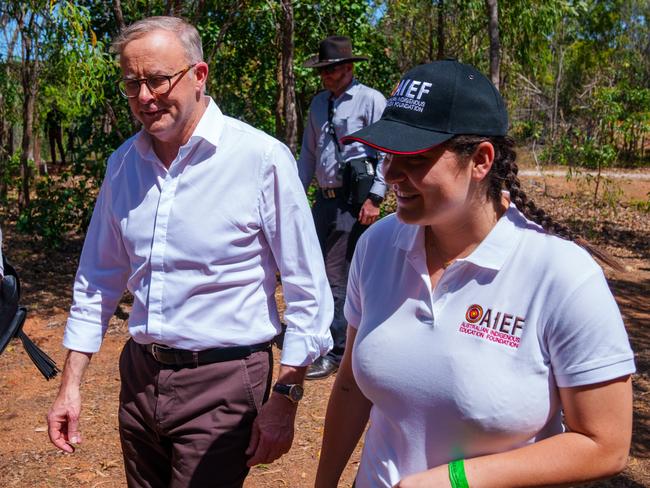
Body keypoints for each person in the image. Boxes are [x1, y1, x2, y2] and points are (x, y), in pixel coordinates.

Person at [315, 60, 635, 488]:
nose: (390, 174)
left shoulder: (560, 273)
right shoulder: (376, 247)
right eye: (388, 154)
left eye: (415, 158)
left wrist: (456, 478)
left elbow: (604, 443)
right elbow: (352, 386)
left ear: (481, 160)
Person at [46, 16, 333, 487]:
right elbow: (97, 280)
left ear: (199, 76)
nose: (144, 97)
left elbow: (307, 289)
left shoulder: (259, 160)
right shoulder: (124, 166)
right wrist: (70, 384)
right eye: (132, 83)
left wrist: (286, 395)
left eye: (158, 80)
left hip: (223, 383)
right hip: (139, 379)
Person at [298, 36, 386, 380]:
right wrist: (295, 196)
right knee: (315, 272)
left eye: (331, 70)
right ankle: (323, 337)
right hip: (323, 201)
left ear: (348, 68)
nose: (325, 77)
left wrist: (375, 198)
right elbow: (308, 154)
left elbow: (387, 154)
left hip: (353, 203)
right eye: (322, 71)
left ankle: (335, 352)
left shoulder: (371, 101)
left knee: (337, 277)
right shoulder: (318, 104)